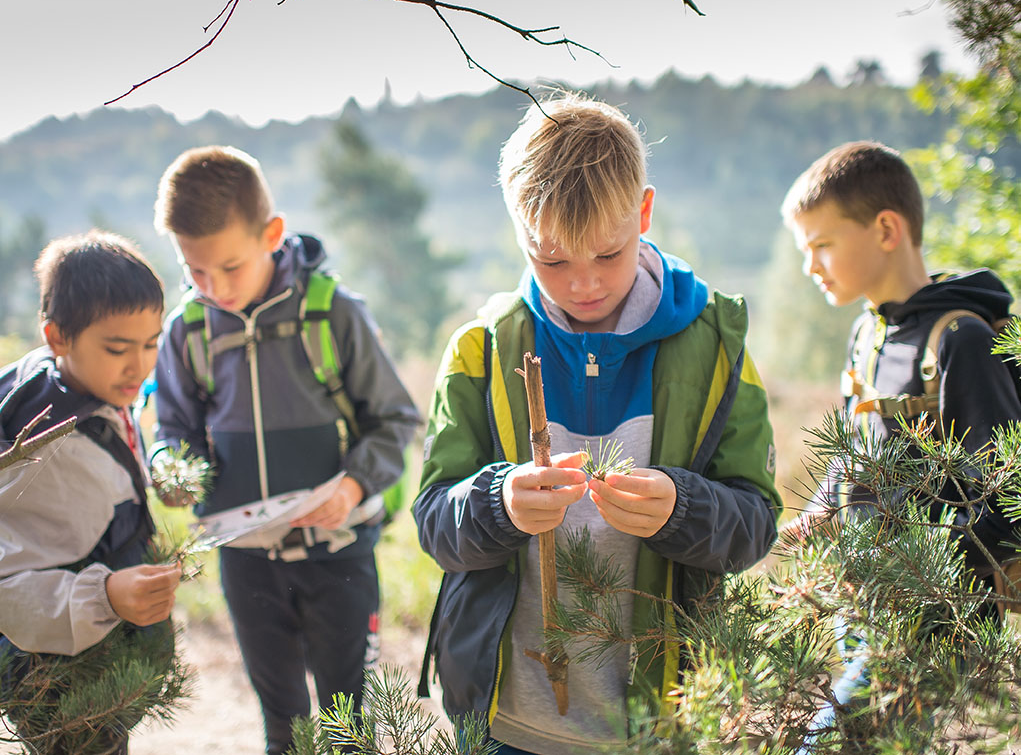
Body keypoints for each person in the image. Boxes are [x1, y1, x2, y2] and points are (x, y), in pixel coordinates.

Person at [413, 92, 781, 754]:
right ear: (517, 227)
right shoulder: (482, 348)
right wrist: (496, 505)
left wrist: (684, 509)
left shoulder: (715, 348)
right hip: (507, 723)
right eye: (550, 260)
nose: (581, 283)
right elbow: (435, 524)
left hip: (659, 724)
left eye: (607, 255)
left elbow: (753, 525)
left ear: (642, 211)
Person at [150, 145, 420, 755]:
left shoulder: (332, 313)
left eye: (230, 267)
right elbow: (174, 432)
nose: (213, 288)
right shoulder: (186, 330)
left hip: (339, 553)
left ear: (271, 234)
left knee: (348, 728)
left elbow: (395, 420)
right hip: (246, 561)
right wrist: (171, 470)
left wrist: (352, 487)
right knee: (284, 726)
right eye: (195, 272)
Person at [782, 141, 1021, 744]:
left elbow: (1008, 492)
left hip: (934, 620)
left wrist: (930, 567)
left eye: (822, 245)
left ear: (886, 229)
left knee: (826, 743)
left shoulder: (960, 340)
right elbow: (851, 453)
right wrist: (820, 514)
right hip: (864, 608)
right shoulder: (866, 335)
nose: (811, 266)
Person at [0, 231, 180, 752]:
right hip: (58, 689)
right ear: (57, 337)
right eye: (117, 348)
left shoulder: (93, 391)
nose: (139, 366)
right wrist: (106, 595)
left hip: (95, 675)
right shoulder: (39, 449)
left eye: (151, 344)